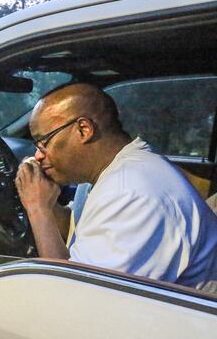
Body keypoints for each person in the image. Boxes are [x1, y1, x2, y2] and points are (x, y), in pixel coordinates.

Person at [15, 83, 217, 290]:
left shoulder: (129, 192)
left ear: (83, 129)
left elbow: (73, 296)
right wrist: (47, 205)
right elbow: (79, 231)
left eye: (43, 142)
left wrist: (36, 208)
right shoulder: (114, 173)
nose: (38, 155)